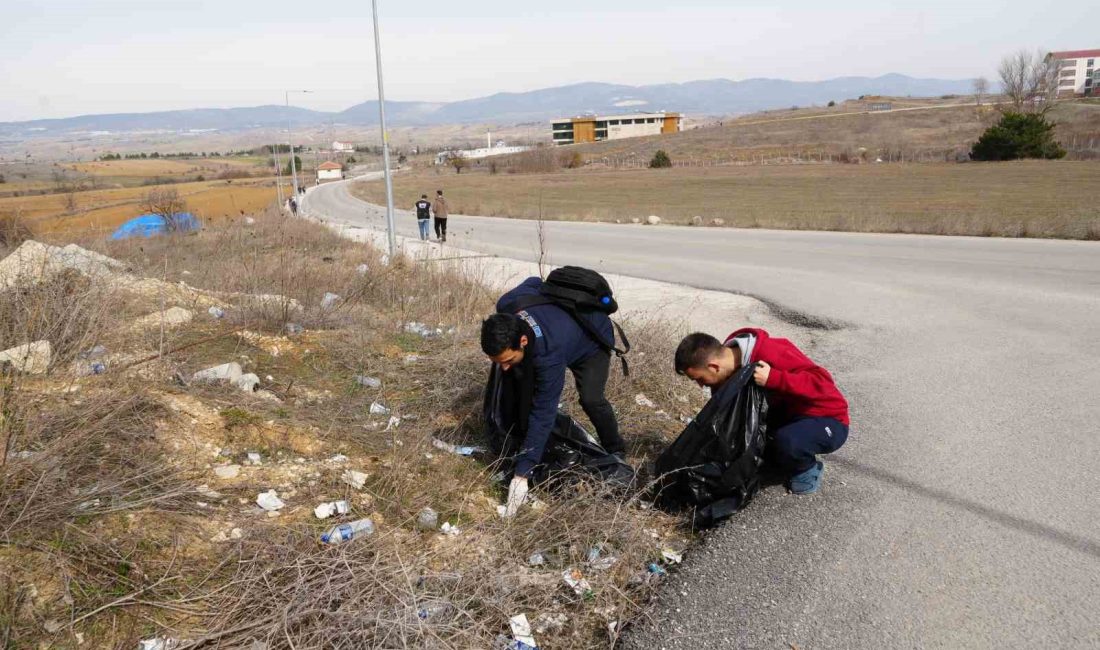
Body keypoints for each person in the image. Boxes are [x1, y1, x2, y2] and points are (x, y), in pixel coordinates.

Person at [482, 277, 626, 514]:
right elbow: (534, 281)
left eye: (507, 360)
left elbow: (544, 412)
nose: (503, 367)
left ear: (523, 341)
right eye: (498, 362)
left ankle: (616, 448)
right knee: (517, 384)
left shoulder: (548, 355)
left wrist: (522, 474)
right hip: (560, 331)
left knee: (591, 398)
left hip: (591, 340)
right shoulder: (508, 304)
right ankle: (517, 440)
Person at [673, 329, 849, 495]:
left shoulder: (770, 351)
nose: (701, 385)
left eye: (700, 379)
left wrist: (774, 378)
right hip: (784, 417)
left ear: (714, 366)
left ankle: (807, 468)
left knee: (789, 443)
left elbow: (823, 384)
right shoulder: (725, 373)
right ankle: (782, 452)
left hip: (826, 418)